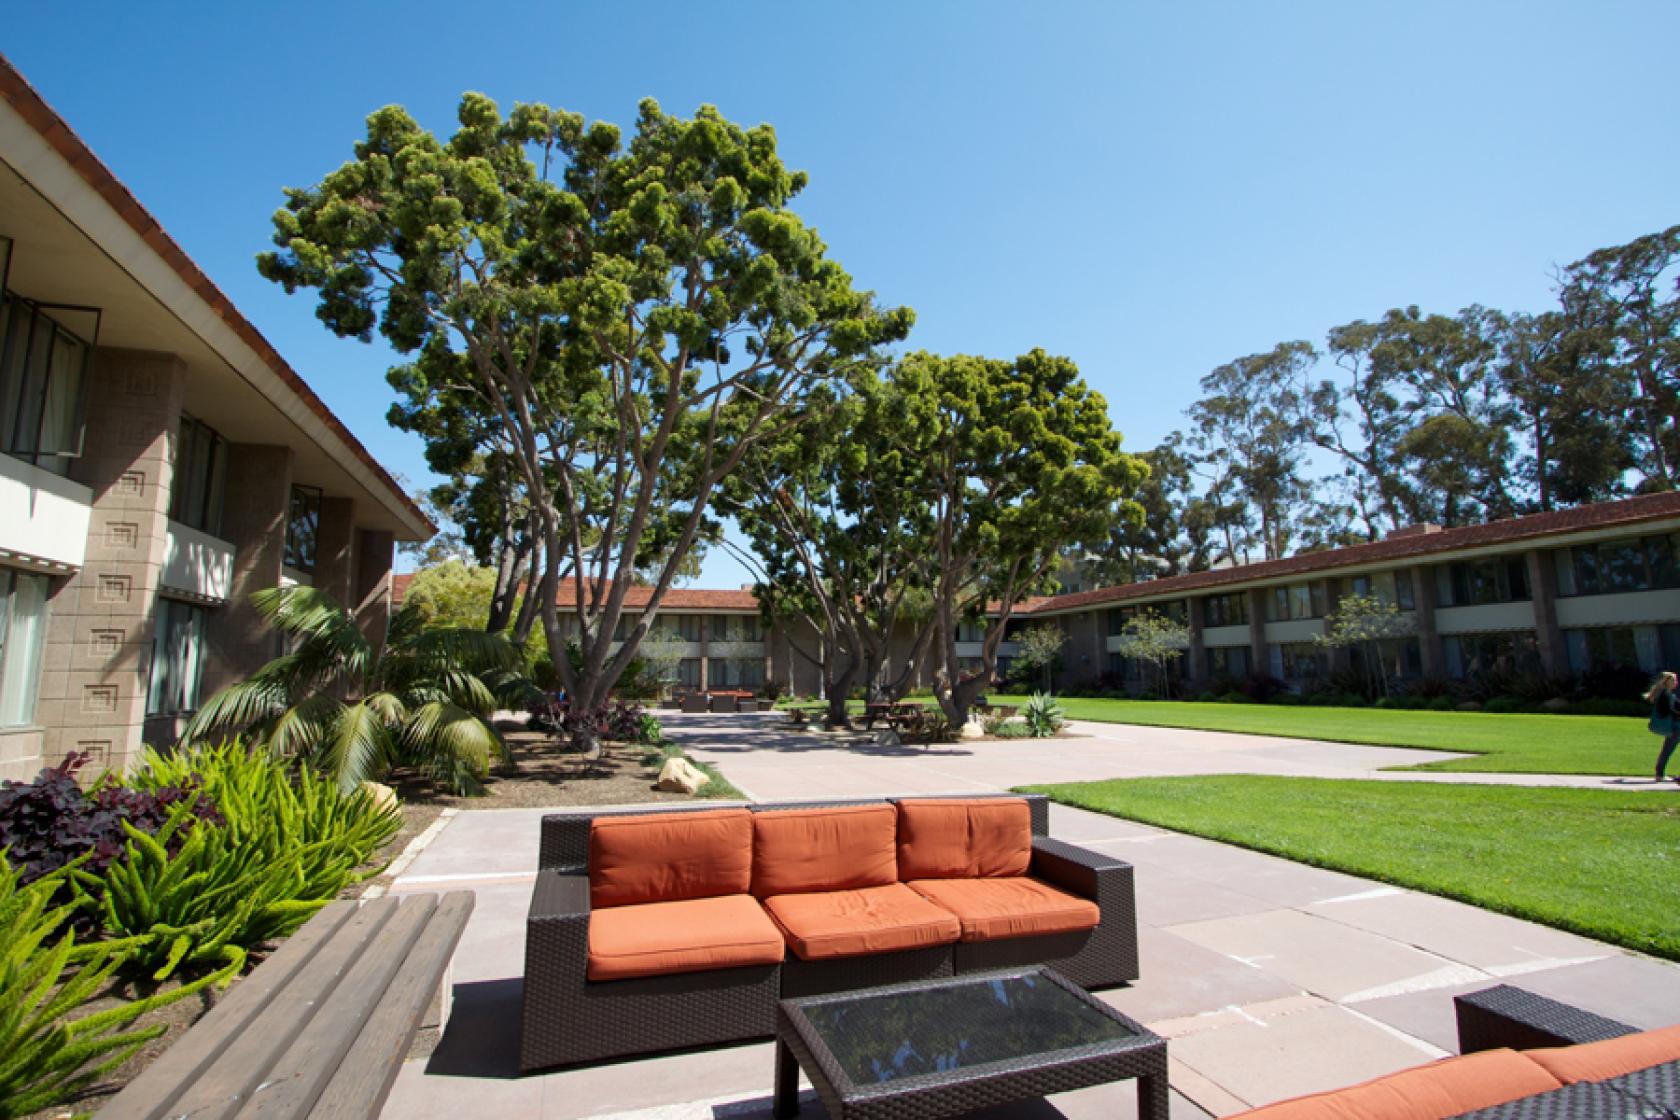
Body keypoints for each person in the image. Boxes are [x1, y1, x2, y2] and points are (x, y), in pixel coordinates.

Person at [1645, 672, 1680, 783]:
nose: (1676, 682)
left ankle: (1659, 774)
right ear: (1668, 682)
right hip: (1675, 728)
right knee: (1667, 750)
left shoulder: (1666, 694)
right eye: (1674, 680)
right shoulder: (1666, 695)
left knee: (1666, 750)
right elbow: (1667, 710)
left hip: (1674, 728)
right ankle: (1659, 774)